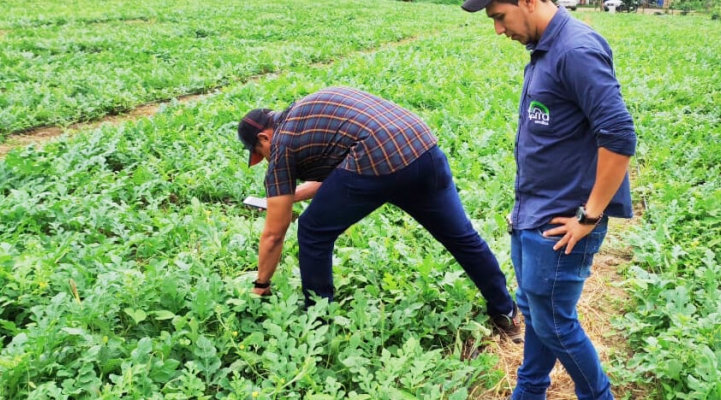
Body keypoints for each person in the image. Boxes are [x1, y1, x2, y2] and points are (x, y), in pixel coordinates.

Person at [236, 86, 522, 342]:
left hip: (378, 161)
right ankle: (505, 311)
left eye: (262, 152)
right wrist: (292, 196)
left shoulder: (283, 143)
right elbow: (341, 174)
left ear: (264, 136)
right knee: (461, 236)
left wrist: (261, 285)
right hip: (422, 147)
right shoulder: (308, 112)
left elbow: (274, 233)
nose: (267, 160)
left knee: (312, 231)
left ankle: (318, 322)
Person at [461, 0, 637, 399]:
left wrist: (589, 216)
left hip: (562, 220)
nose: (499, 31)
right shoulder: (545, 49)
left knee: (555, 320)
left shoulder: (575, 50)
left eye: (499, 17)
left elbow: (619, 136)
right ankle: (529, 391)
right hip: (533, 210)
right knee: (536, 307)